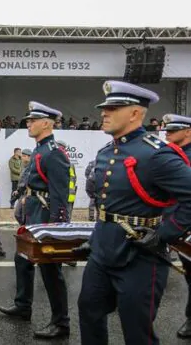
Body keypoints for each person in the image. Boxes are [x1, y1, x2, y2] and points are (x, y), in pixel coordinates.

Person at [76, 82, 191, 345]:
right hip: (102, 253)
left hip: (141, 255)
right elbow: (108, 207)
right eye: (104, 108)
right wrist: (95, 241)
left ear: (135, 114)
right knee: (89, 311)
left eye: (113, 108)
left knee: (136, 330)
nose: (104, 113)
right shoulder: (106, 151)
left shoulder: (157, 155)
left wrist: (164, 234)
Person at [0, 101, 71, 339]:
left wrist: (56, 229)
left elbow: (60, 196)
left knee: (51, 272)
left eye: (33, 120)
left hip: (45, 216)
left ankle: (61, 322)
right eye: (28, 119)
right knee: (22, 261)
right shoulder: (40, 150)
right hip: (32, 213)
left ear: (46, 123)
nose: (28, 123)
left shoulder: (54, 153)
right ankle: (23, 306)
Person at [160, 114, 191, 338]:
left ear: (188, 131)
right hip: (173, 223)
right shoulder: (168, 156)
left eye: (174, 129)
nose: (167, 133)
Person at [56, 139, 77, 217]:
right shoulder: (70, 163)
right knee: (66, 217)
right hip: (68, 195)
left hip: (61, 195)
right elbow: (74, 178)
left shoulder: (59, 161)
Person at [13, 148, 32, 225]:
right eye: (22, 156)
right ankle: (24, 229)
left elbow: (29, 182)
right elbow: (22, 181)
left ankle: (26, 230)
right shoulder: (24, 167)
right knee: (18, 214)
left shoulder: (31, 168)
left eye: (24, 156)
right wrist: (18, 190)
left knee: (24, 216)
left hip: (28, 194)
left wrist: (27, 196)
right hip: (22, 193)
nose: (22, 158)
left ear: (29, 157)